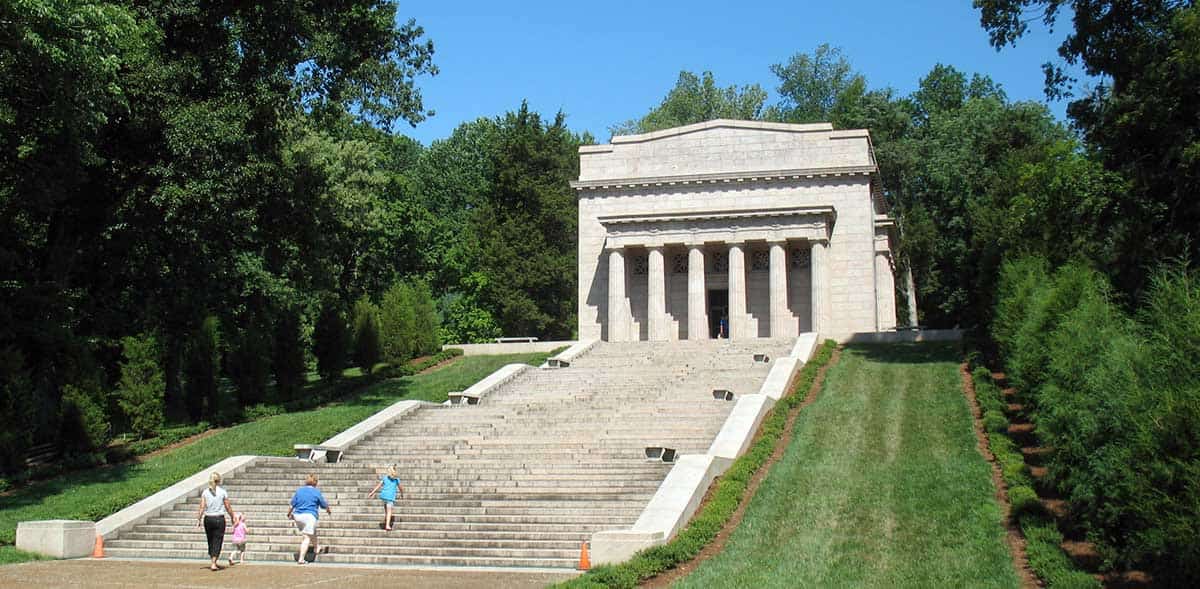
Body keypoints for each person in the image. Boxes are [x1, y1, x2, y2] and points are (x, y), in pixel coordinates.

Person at [287, 473, 331, 565]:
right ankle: (301, 559)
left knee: (311, 531)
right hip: (309, 516)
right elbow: (323, 504)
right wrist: (328, 510)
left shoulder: (299, 491)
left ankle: (316, 547)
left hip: (298, 516)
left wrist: (289, 514)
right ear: (315, 482)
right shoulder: (316, 492)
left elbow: (292, 504)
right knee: (306, 537)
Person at [196, 472, 234, 571]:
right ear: (218, 480)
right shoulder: (222, 492)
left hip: (208, 519)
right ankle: (213, 562)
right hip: (219, 518)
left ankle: (213, 559)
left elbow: (202, 506)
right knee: (217, 540)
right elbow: (228, 506)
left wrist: (199, 519)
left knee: (210, 539)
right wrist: (232, 516)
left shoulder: (205, 492)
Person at [367, 465, 404, 531]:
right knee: (389, 511)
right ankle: (387, 525)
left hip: (384, 496)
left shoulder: (385, 478)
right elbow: (400, 488)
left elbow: (378, 486)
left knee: (386, 511)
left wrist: (372, 493)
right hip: (390, 497)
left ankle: (386, 521)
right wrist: (402, 494)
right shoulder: (396, 479)